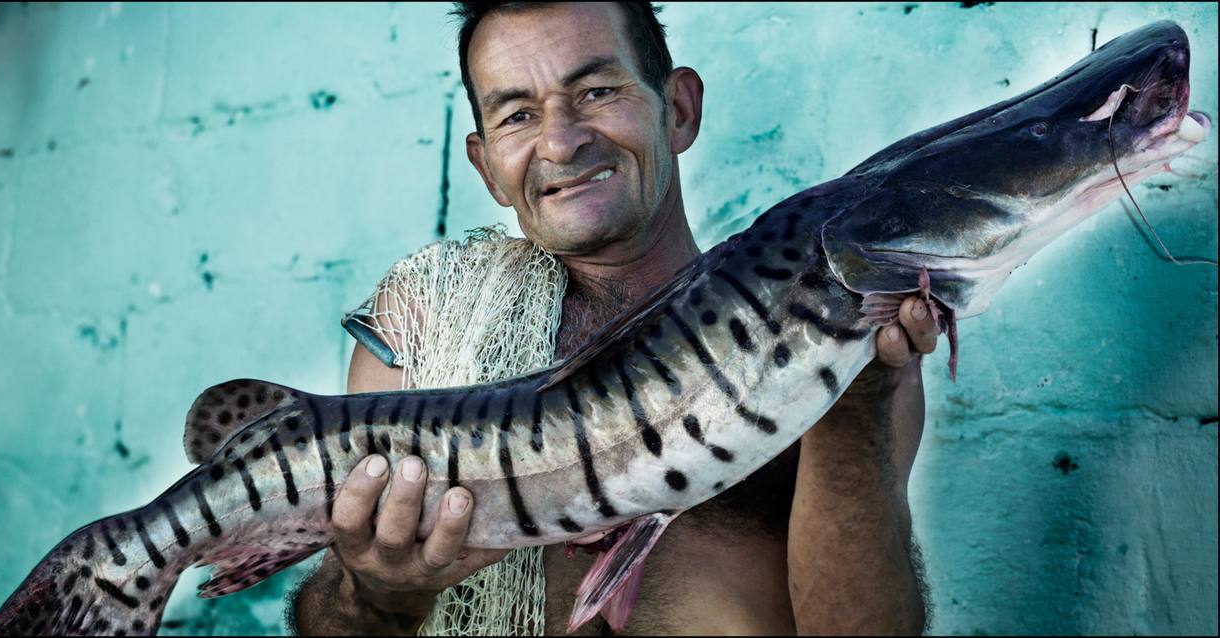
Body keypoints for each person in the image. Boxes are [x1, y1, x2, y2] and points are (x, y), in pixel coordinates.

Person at [292, 2, 936, 634]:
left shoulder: (833, 335)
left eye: (597, 91)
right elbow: (332, 621)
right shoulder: (422, 334)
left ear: (678, 110)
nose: (562, 140)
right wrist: (377, 592)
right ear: (487, 166)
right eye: (517, 115)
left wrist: (855, 409)